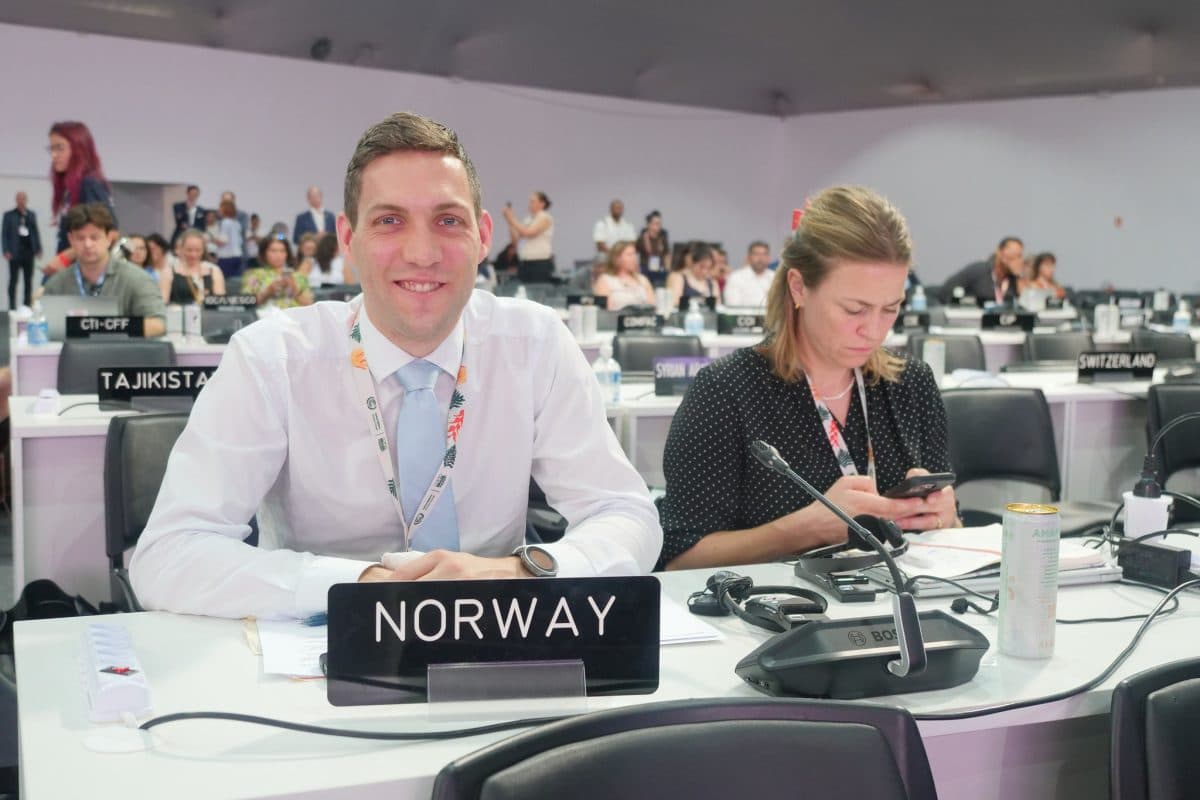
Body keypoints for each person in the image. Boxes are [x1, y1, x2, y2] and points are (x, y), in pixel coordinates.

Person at [129, 111, 661, 619]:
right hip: (319, 656)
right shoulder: (274, 358)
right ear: (347, 240)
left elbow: (629, 517)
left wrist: (519, 574)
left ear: (482, 238)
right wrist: (359, 586)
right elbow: (169, 555)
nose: (423, 253)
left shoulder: (536, 344)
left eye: (448, 221)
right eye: (389, 221)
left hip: (499, 640)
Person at [657, 185, 959, 571]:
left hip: (895, 611)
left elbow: (951, 533)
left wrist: (945, 518)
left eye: (890, 309)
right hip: (771, 619)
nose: (874, 330)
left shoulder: (910, 384)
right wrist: (803, 531)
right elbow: (678, 559)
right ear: (799, 287)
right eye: (854, 309)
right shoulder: (727, 392)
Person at [41, 203, 167, 337]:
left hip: (121, 356)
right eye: (80, 238)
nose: (88, 244)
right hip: (75, 356)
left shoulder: (138, 279)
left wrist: (101, 327)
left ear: (109, 238)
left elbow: (158, 324)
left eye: (94, 237)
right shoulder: (56, 284)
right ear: (70, 240)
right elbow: (44, 328)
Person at [44, 121, 116, 278]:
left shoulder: (89, 184)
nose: (54, 155)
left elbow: (111, 232)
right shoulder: (71, 189)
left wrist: (64, 258)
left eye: (60, 148)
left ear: (78, 149)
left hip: (84, 274)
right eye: (52, 148)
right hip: (71, 271)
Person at [939, 237, 1024, 306]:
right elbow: (946, 292)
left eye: (1019, 255)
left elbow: (1024, 304)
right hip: (974, 320)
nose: (1016, 259)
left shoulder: (1014, 279)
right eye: (1012, 253)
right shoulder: (979, 270)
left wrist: (1018, 276)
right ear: (999, 252)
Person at [241, 234, 314, 308]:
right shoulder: (254, 274)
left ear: (287, 254)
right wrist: (267, 292)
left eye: (282, 251)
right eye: (273, 251)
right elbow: (245, 302)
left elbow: (309, 304)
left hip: (293, 317)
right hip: (266, 317)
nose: (278, 255)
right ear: (264, 253)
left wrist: (294, 289)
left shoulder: (298, 276)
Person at [502, 191, 554, 283]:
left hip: (539, 263)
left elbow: (529, 233)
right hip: (525, 263)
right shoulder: (528, 219)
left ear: (542, 203)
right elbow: (515, 240)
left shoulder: (545, 217)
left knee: (538, 292)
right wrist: (509, 222)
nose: (530, 204)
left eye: (533, 201)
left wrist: (512, 219)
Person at [162, 229, 226, 304]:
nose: (193, 254)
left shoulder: (214, 270)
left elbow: (220, 302)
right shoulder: (169, 271)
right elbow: (163, 302)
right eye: (189, 250)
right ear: (181, 249)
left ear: (203, 250)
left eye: (198, 250)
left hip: (209, 315)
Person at [2, 191, 42, 309]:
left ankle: (26, 306)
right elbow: (4, 234)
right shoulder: (8, 215)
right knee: (13, 281)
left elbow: (35, 232)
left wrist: (38, 248)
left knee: (28, 281)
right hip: (14, 253)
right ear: (16, 200)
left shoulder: (31, 214)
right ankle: (12, 307)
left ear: (26, 200)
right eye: (19, 198)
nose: (21, 201)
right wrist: (5, 250)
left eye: (23, 198)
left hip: (28, 252)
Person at [593, 241, 655, 311]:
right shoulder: (605, 280)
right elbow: (604, 313)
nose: (634, 258)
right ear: (617, 258)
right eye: (629, 255)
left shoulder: (643, 280)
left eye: (635, 254)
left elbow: (652, 306)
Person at [666, 241, 717, 309]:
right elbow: (674, 304)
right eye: (701, 267)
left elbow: (717, 306)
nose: (704, 272)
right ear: (690, 260)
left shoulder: (712, 282)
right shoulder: (678, 277)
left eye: (708, 268)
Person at [722, 240, 773, 307]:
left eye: (764, 254)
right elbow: (732, 305)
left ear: (769, 258)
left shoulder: (775, 277)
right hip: (744, 317)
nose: (760, 258)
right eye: (756, 254)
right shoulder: (736, 277)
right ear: (748, 257)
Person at [211, 199, 244, 280]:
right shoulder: (236, 223)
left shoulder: (225, 222)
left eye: (220, 208)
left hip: (226, 257)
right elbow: (240, 240)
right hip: (237, 255)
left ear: (225, 209)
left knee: (223, 280)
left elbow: (222, 241)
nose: (218, 210)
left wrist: (211, 240)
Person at [636, 210, 670, 278]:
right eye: (656, 223)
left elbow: (667, 254)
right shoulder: (642, 238)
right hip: (645, 270)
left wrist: (668, 270)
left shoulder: (663, 237)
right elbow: (634, 254)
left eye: (660, 223)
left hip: (660, 270)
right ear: (649, 224)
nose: (659, 226)